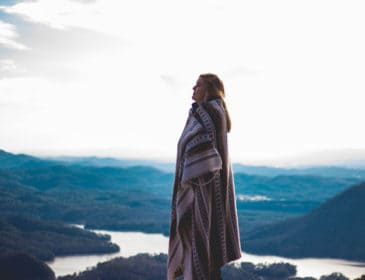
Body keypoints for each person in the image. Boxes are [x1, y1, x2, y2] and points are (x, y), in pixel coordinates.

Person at [167, 73, 242, 280]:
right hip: (203, 187)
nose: (193, 88)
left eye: (198, 85)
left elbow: (199, 148)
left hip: (203, 188)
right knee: (205, 245)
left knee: (203, 242)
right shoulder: (207, 112)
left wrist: (189, 165)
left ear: (209, 89)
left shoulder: (209, 113)